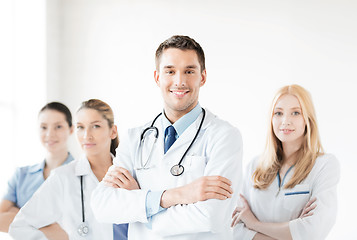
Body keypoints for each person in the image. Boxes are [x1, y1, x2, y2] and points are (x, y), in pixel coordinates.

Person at [91, 35, 243, 240]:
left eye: (189, 71)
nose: (179, 81)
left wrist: (142, 208)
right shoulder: (135, 138)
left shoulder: (224, 136)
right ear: (157, 77)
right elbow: (103, 206)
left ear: (203, 77)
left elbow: (211, 217)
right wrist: (177, 195)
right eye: (170, 71)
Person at [231, 84, 340, 240]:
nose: (285, 121)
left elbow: (313, 231)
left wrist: (254, 224)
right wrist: (294, 230)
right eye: (278, 113)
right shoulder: (254, 167)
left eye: (295, 113)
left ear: (307, 119)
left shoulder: (324, 165)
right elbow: (234, 228)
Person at [9, 99, 128, 240]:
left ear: (113, 131)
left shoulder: (130, 172)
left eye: (95, 126)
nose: (86, 136)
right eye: (80, 127)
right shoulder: (63, 177)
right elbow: (19, 227)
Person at [0, 102, 74, 233]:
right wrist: (49, 226)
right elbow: (1, 220)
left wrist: (18, 215)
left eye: (58, 127)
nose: (50, 134)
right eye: (43, 127)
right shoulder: (21, 175)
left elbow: (71, 230)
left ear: (71, 129)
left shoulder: (81, 176)